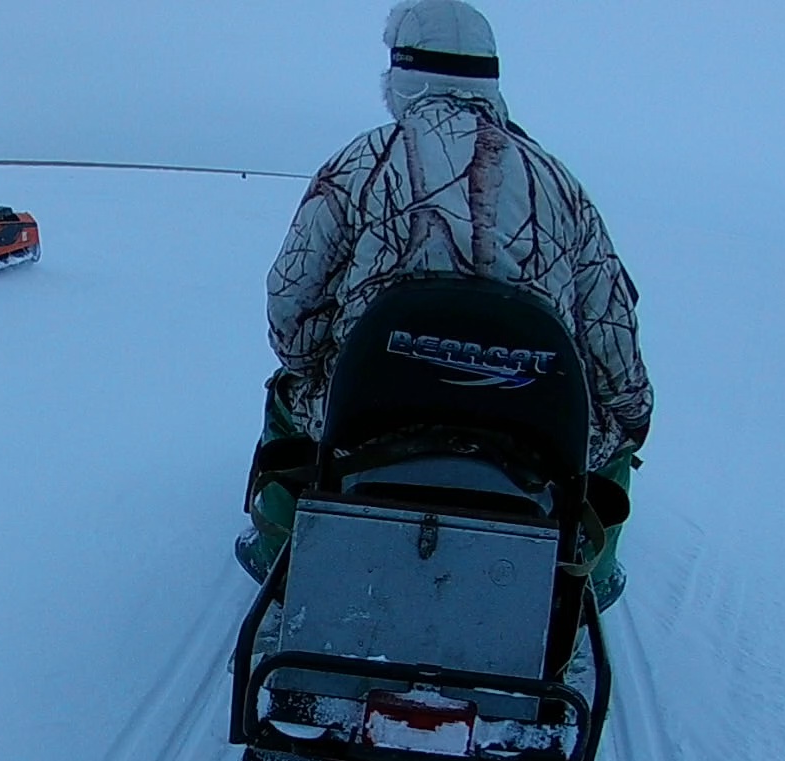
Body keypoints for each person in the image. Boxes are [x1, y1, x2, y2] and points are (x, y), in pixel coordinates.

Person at [240, 0, 653, 608]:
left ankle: (280, 551)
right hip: (531, 428)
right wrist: (633, 415)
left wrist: (323, 361)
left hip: (369, 416)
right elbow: (611, 335)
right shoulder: (560, 185)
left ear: (400, 75)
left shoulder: (360, 164)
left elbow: (290, 310)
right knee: (613, 438)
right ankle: (586, 578)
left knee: (285, 397)